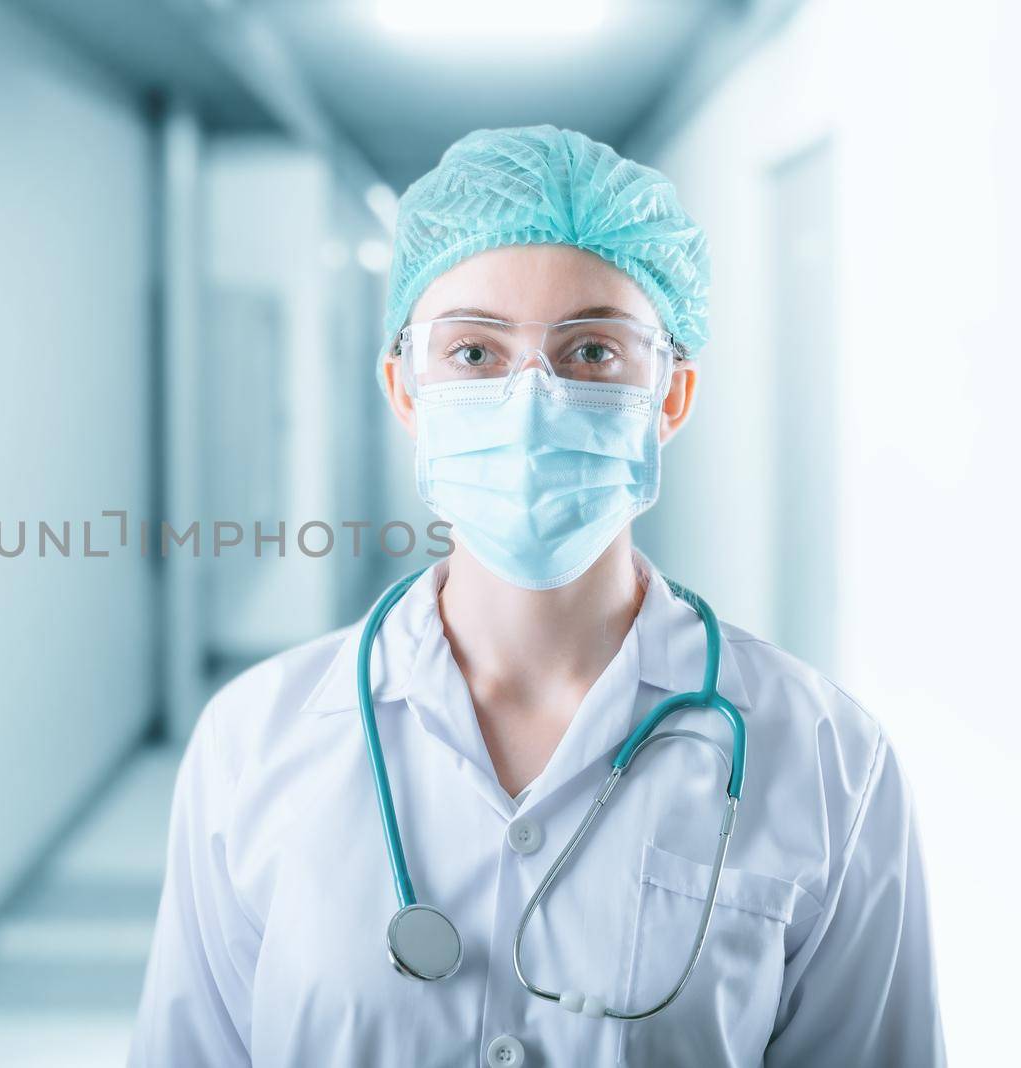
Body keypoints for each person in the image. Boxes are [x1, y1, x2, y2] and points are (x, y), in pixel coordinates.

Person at [128, 125, 943, 1067]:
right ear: (405, 391)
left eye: (593, 350)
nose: (533, 399)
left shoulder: (830, 762)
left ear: (672, 396)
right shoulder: (253, 742)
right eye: (474, 353)